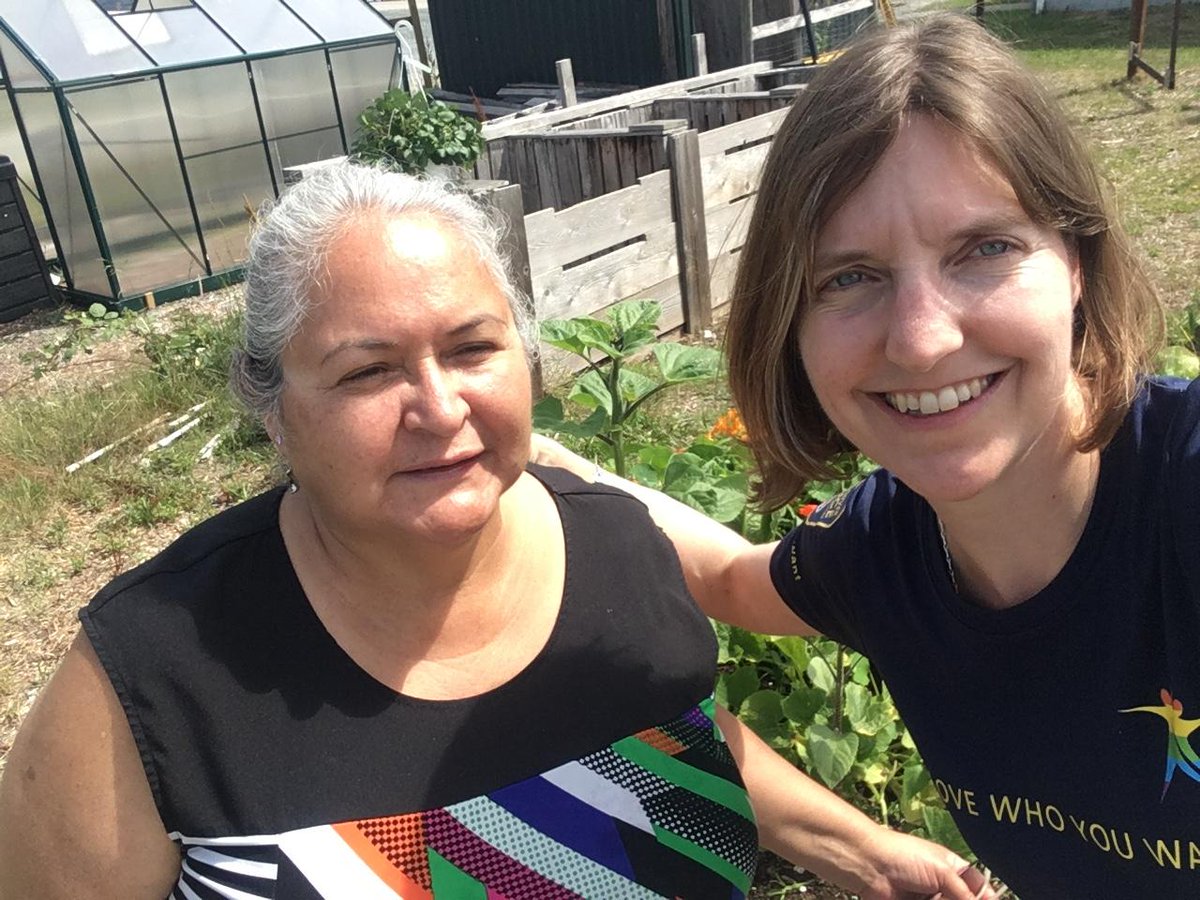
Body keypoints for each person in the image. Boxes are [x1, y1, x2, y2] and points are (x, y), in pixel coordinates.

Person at [0, 164, 993, 899]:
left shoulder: (617, 549)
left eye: (473, 349)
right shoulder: (151, 678)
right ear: (272, 406)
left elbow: (675, 741)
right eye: (365, 371)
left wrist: (861, 849)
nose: (437, 406)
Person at [536, 14, 1199, 898]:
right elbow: (734, 577)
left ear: (1076, 262)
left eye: (985, 249)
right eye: (849, 277)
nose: (922, 341)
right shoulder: (889, 550)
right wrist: (528, 457)